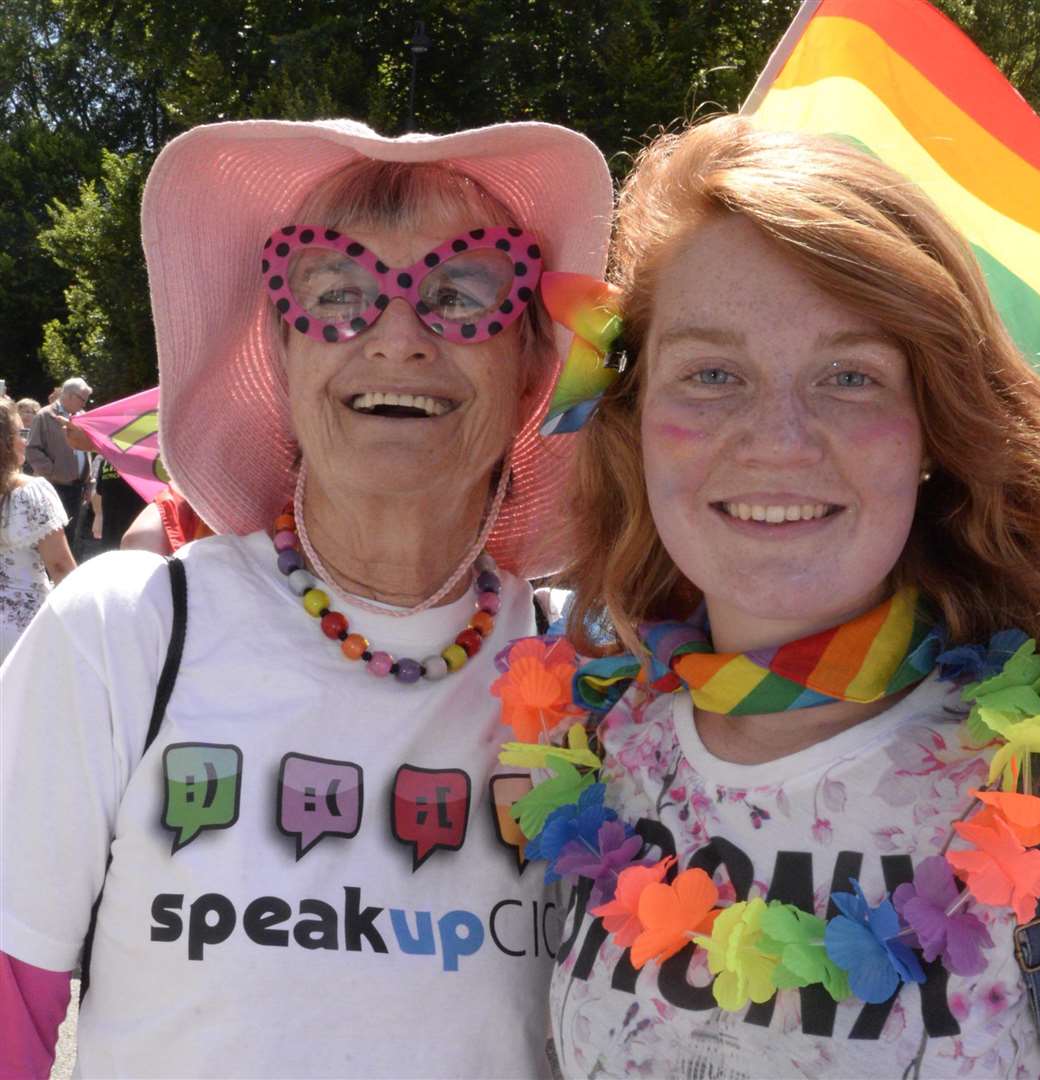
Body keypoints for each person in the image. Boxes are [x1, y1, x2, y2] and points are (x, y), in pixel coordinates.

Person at [512, 119, 1040, 1079]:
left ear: (934, 429)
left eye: (849, 376)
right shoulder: (594, 739)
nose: (779, 439)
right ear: (634, 420)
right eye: (713, 374)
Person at [0, 118, 612, 1077]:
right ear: (283, 359)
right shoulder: (123, 634)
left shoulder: (596, 680)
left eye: (462, 294)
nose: (398, 337)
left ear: (532, 366)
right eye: (339, 295)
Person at [0, 398, 76, 663]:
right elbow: (61, 567)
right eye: (20, 433)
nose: (25, 441)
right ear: (5, 442)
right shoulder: (31, 491)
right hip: (22, 632)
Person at [24, 376, 93, 543]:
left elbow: (86, 449)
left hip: (78, 487)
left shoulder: (82, 416)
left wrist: (88, 480)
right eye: (82, 399)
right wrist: (53, 472)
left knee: (71, 535)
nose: (84, 404)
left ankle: (67, 569)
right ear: (69, 395)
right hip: (55, 486)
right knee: (54, 536)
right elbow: (32, 449)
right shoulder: (45, 415)